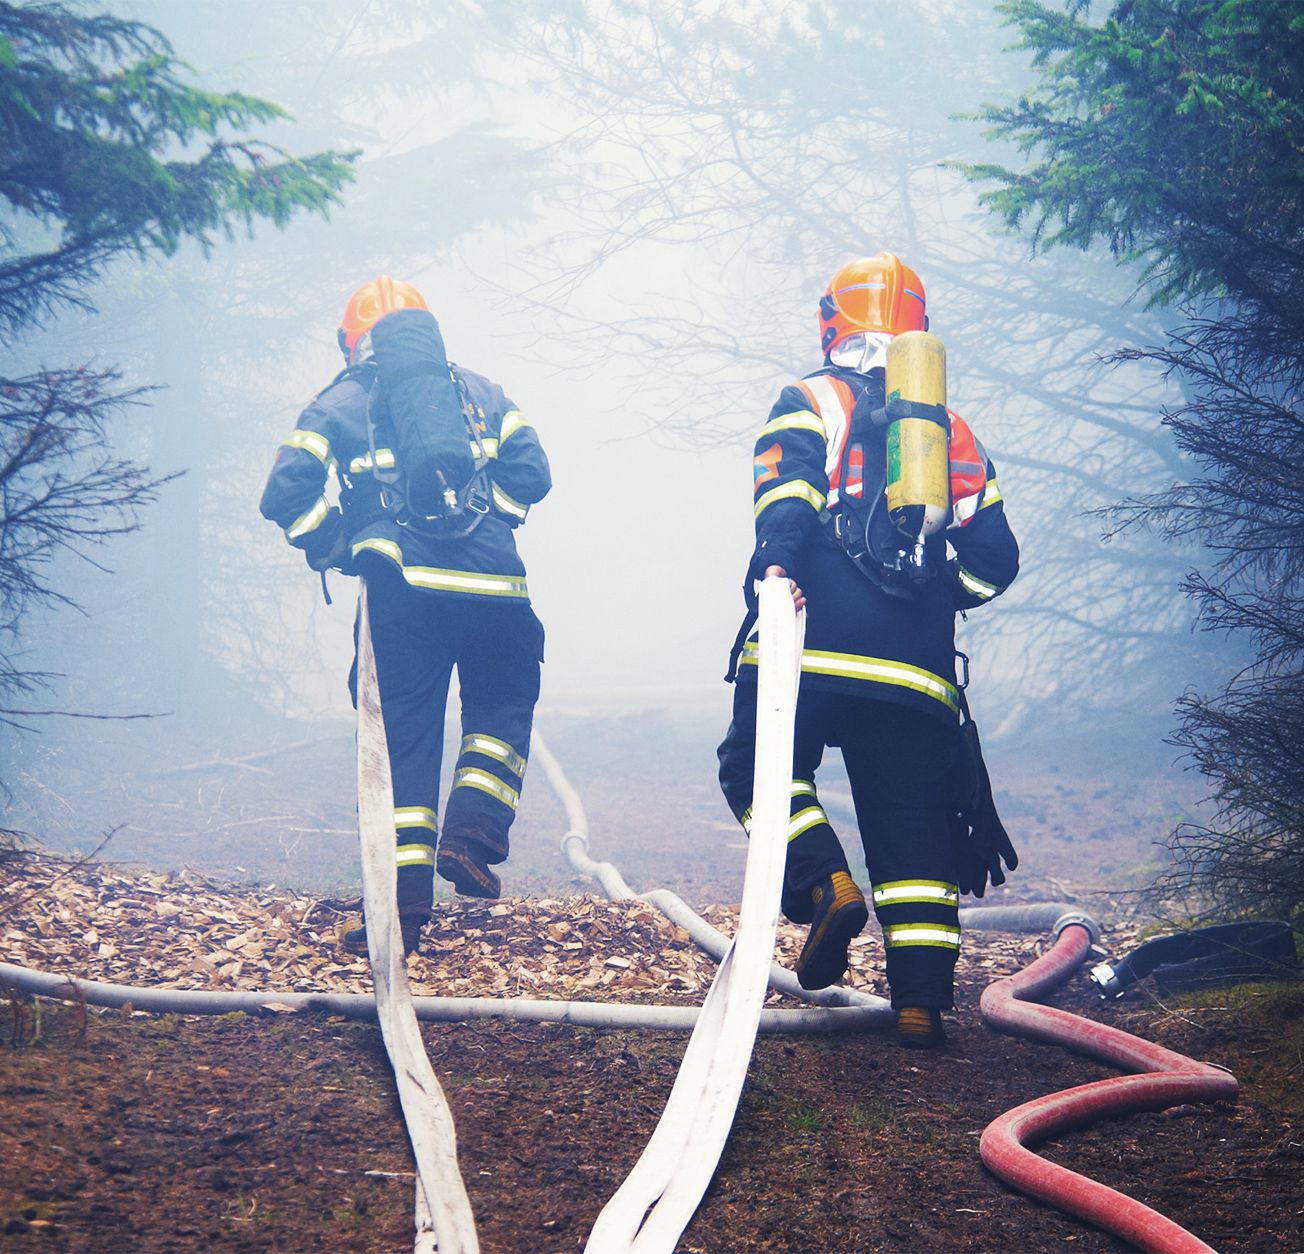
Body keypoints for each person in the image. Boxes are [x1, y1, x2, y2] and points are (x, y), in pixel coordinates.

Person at [717, 254, 1019, 1046]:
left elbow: (788, 492)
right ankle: (919, 1002)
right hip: (914, 668)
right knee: (913, 820)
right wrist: (932, 598)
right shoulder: (948, 431)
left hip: (812, 641)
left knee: (755, 763)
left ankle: (823, 886)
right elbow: (997, 561)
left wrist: (777, 567)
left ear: (832, 322)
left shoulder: (810, 398)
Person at [260, 276, 551, 955]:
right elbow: (532, 474)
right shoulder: (482, 393)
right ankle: (473, 834)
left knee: (403, 746)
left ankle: (403, 912)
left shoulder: (341, 400)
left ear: (353, 340)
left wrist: (338, 543)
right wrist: (490, 524)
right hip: (494, 589)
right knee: (502, 705)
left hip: (403, 593)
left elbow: (286, 491)